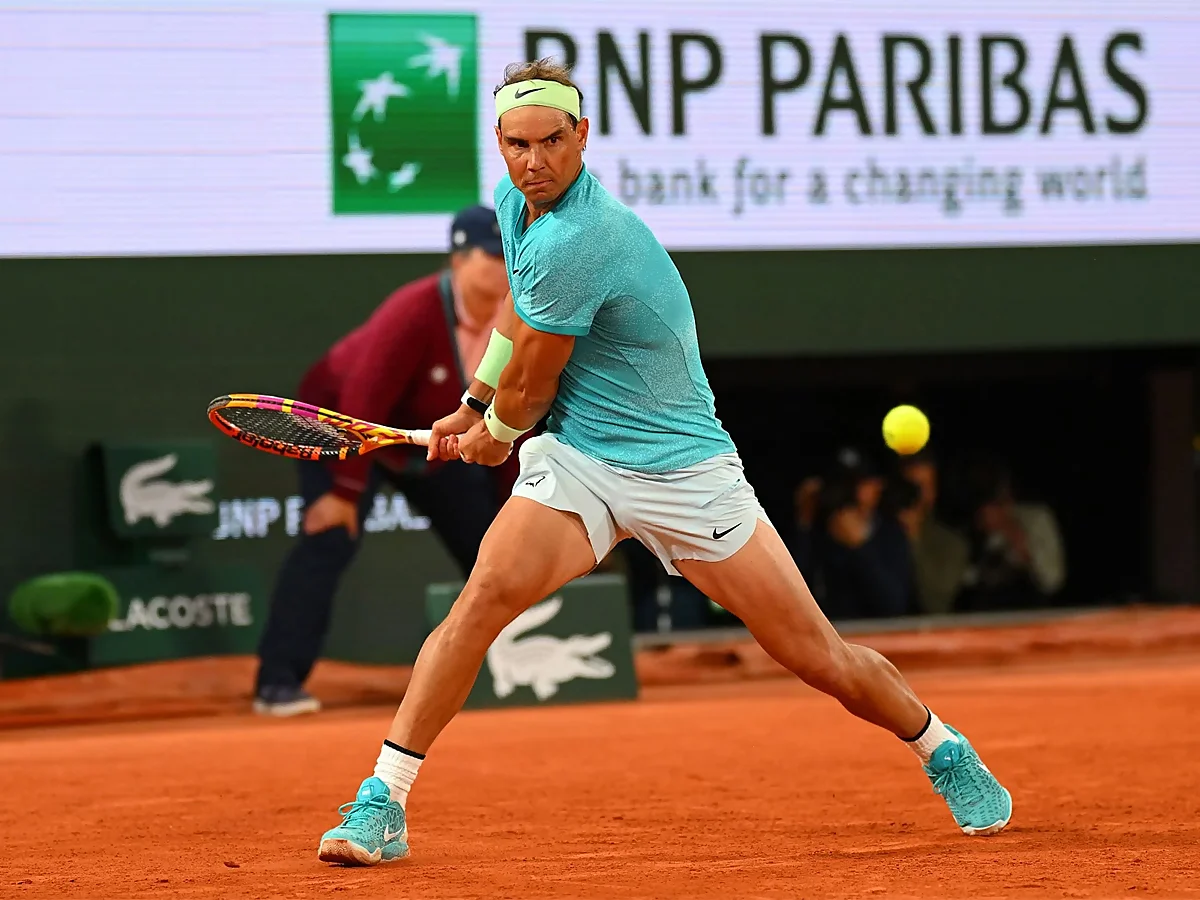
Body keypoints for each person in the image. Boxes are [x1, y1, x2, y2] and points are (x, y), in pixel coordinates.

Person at [315, 60, 1013, 866]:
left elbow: (538, 380)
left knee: (816, 655)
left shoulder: (588, 234)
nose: (533, 161)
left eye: (551, 142)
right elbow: (516, 309)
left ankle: (941, 746)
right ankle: (382, 800)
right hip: (582, 460)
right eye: (516, 144)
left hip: (683, 470)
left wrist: (495, 434)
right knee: (480, 603)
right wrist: (475, 402)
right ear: (499, 143)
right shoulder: (518, 203)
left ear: (583, 136)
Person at [252, 206, 515, 717]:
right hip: (344, 430)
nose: (504, 267)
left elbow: (509, 414)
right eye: (493, 254)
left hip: (432, 444)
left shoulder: (515, 320)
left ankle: (483, 676)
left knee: (499, 551)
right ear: (459, 260)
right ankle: (277, 683)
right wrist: (344, 492)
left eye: (512, 256)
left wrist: (512, 503)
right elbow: (362, 394)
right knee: (329, 538)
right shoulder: (415, 309)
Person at [897, 450, 971, 616]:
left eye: (924, 487)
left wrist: (914, 540)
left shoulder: (951, 544)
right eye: (910, 487)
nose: (917, 496)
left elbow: (935, 604)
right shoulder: (870, 533)